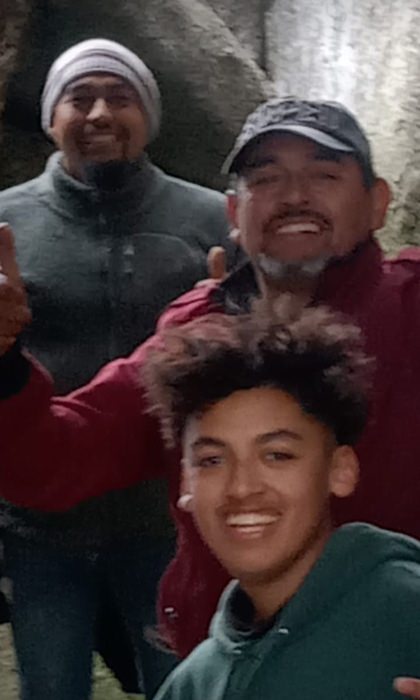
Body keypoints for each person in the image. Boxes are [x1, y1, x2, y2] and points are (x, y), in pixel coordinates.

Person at [1, 98, 420, 697]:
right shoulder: (197, 337)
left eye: (324, 175)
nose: (294, 196)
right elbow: (55, 459)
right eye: (266, 179)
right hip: (229, 668)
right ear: (233, 214)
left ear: (377, 203)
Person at [0, 37, 234, 700]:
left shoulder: (210, 219)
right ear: (51, 119)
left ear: (148, 117)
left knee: (181, 684)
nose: (99, 113)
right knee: (51, 686)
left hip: (166, 521)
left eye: (120, 97)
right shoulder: (6, 223)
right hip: (38, 528)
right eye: (79, 98)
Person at [141, 300, 420, 700]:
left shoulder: (405, 614)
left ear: (340, 469)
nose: (242, 487)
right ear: (186, 482)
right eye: (212, 460)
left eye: (277, 455)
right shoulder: (193, 685)